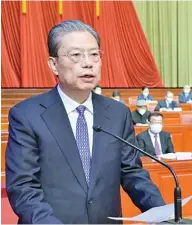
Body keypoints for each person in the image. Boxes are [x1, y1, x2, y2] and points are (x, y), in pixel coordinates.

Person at [6, 20, 165, 224]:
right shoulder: (27, 115)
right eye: (76, 55)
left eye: (94, 54)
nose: (88, 62)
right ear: (53, 64)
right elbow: (23, 187)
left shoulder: (118, 113)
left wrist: (164, 215)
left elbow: (132, 173)